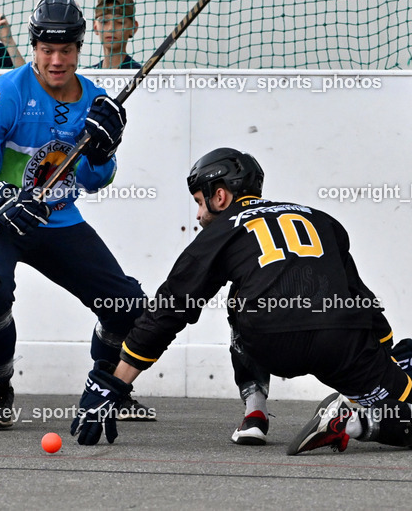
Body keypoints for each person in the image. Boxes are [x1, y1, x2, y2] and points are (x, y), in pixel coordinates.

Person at [69, 148, 412, 455]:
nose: (200, 216)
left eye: (200, 203)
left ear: (220, 196)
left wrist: (116, 383)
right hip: (342, 341)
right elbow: (361, 299)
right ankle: (357, 417)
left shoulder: (221, 229)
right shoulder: (322, 219)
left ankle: (259, 412)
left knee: (240, 301)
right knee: (404, 406)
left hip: (270, 339)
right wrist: (385, 361)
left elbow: (168, 311)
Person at [0, 0, 153, 429]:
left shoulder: (96, 102)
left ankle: (106, 386)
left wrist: (104, 150)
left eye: (66, 50)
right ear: (35, 47)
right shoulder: (6, 92)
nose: (56, 60)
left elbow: (97, 181)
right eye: (47, 50)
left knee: (129, 307)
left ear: (80, 48)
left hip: (55, 217)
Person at [90, 0, 141, 69]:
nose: (111, 28)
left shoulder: (140, 75)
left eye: (120, 22)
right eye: (104, 21)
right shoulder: (87, 75)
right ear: (95, 26)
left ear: (133, 28)